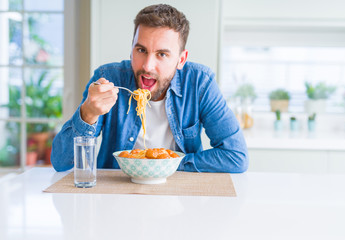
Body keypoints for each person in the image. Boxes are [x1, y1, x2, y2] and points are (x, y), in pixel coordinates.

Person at [51, 4, 248, 173]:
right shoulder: (108, 78)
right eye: (141, 50)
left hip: (179, 193)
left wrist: (167, 165)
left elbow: (236, 156)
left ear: (181, 60)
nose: (147, 66)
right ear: (131, 49)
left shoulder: (200, 83)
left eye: (162, 54)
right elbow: (61, 162)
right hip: (116, 196)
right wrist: (88, 114)